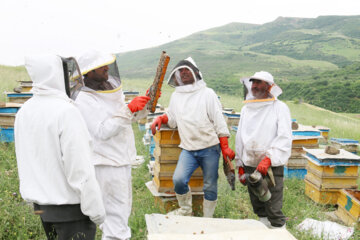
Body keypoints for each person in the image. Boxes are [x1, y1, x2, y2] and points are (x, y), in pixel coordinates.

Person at [15, 54, 105, 240]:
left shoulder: (24, 111)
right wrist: (96, 211)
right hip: (72, 213)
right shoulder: (66, 112)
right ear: (56, 74)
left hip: (44, 210)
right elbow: (80, 169)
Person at [74, 50, 150, 240]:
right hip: (106, 164)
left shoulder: (109, 90)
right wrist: (128, 109)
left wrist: (143, 107)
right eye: (101, 66)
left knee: (120, 214)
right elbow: (102, 131)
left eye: (107, 64)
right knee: (115, 219)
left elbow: (124, 120)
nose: (107, 68)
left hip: (119, 159)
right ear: (89, 72)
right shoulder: (84, 98)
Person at [151, 57, 235, 218]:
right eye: (180, 70)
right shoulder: (176, 96)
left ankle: (208, 218)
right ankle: (186, 211)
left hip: (210, 147)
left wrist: (224, 147)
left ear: (196, 73)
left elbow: (218, 121)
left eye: (186, 70)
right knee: (179, 180)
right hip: (188, 149)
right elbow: (173, 119)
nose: (183, 73)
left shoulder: (207, 93)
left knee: (210, 185)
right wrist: (161, 118)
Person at [235, 71, 292, 228]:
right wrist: (240, 164)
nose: (255, 86)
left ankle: (279, 232)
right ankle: (264, 232)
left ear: (269, 87)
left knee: (273, 207)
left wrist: (269, 158)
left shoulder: (280, 108)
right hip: (250, 163)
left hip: (271, 165)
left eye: (259, 83)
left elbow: (284, 137)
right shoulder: (246, 109)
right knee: (258, 205)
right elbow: (240, 137)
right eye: (253, 83)